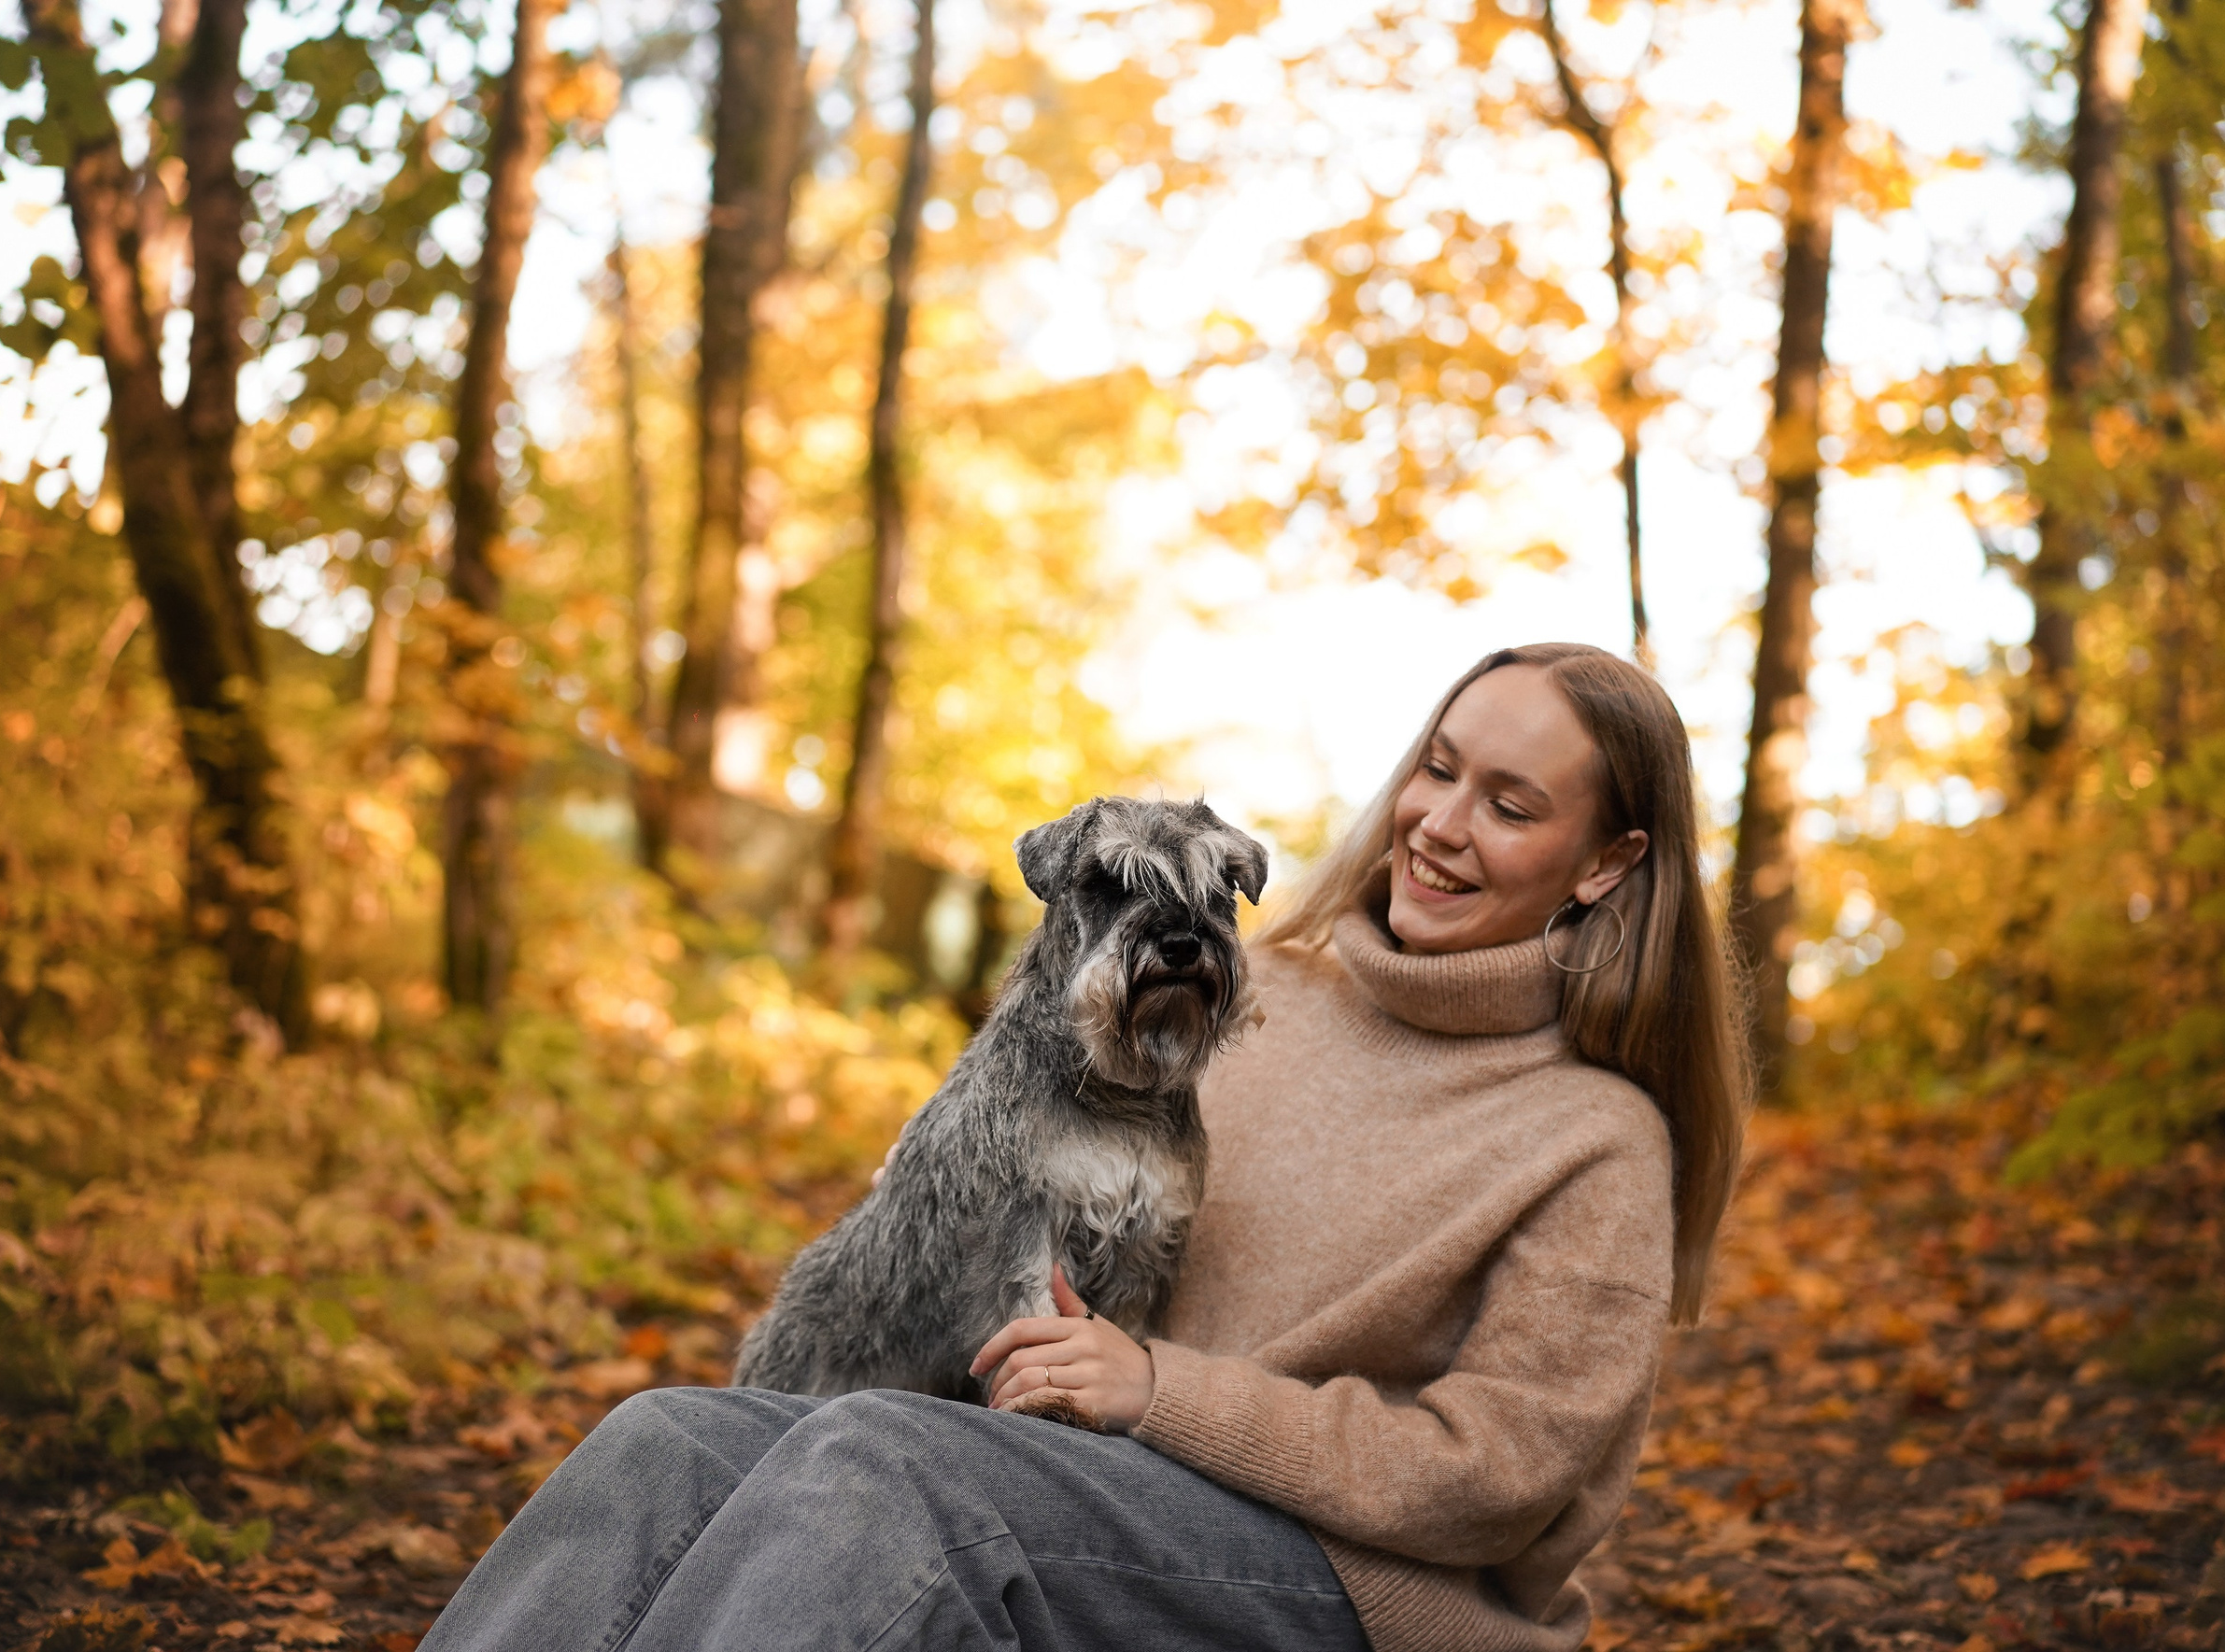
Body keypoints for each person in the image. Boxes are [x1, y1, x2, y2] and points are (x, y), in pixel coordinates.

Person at [419, 642, 1749, 1652]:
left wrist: (1158, 1389)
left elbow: (1492, 1480)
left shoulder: (1597, 1140)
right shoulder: (1259, 999)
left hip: (1365, 1593)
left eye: (1511, 806)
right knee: (672, 1439)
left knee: (891, 1465)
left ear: (1604, 861)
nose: (1442, 823)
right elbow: (1048, 1169)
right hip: (1125, 1481)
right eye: (1440, 766)